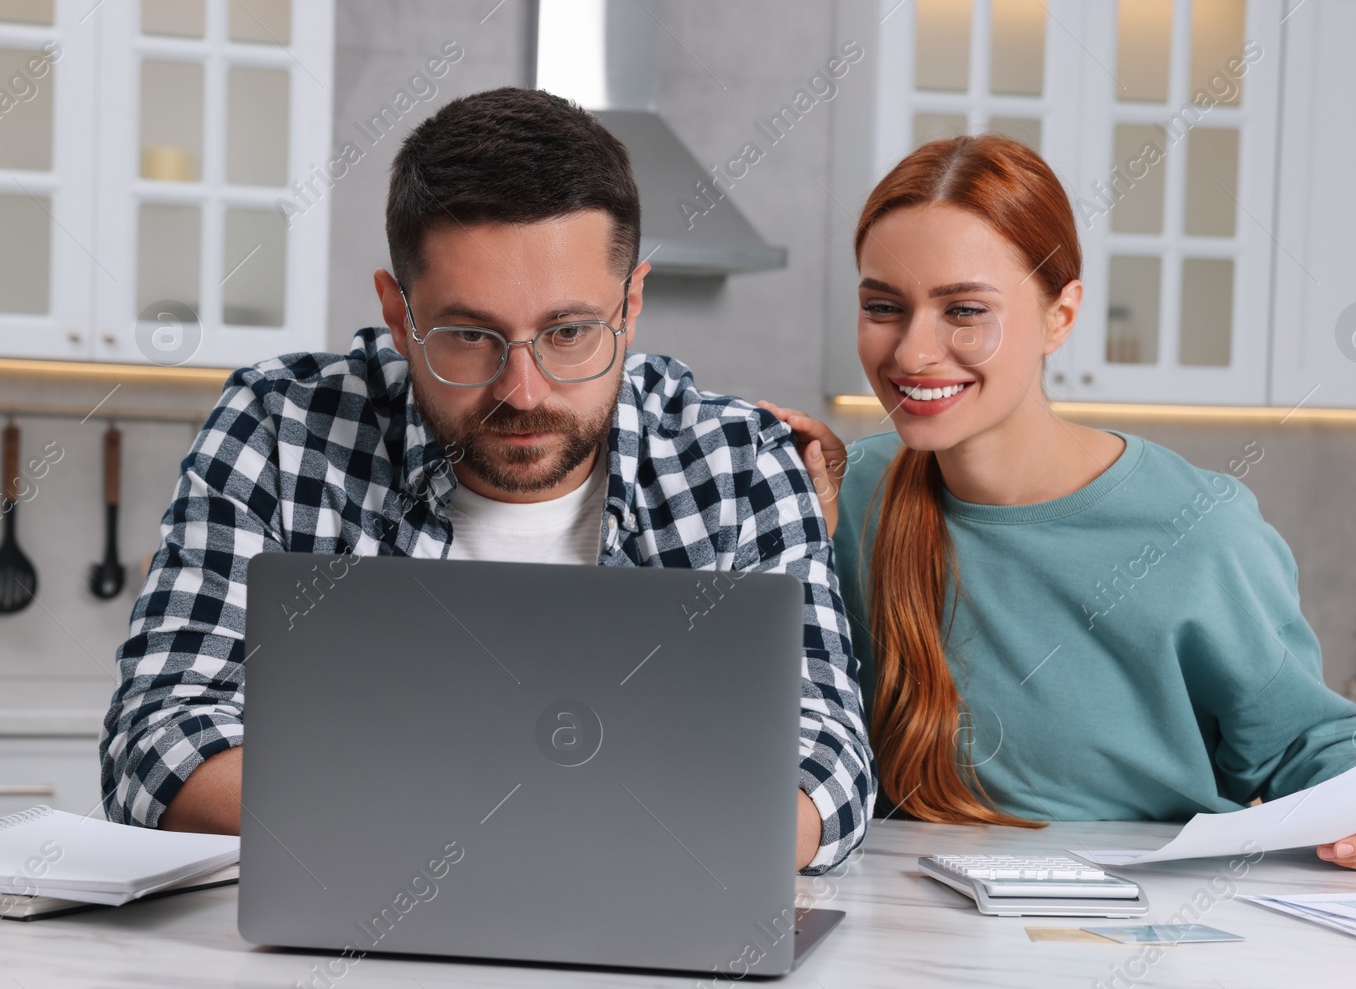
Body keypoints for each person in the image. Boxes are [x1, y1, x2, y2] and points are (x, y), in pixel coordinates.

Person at [100, 88, 873, 874]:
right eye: (470, 336)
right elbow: (155, 741)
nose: (523, 390)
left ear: (631, 306)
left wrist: (423, 815)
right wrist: (533, 826)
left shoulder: (739, 463)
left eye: (569, 333)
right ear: (399, 315)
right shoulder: (277, 427)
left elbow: (829, 754)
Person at [761, 135, 1356, 873]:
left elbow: (1305, 744)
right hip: (897, 928)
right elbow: (775, 735)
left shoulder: (1196, 528)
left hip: (1131, 924)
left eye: (964, 310)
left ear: (1062, 313)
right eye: (885, 306)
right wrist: (800, 544)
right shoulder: (845, 495)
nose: (913, 352)